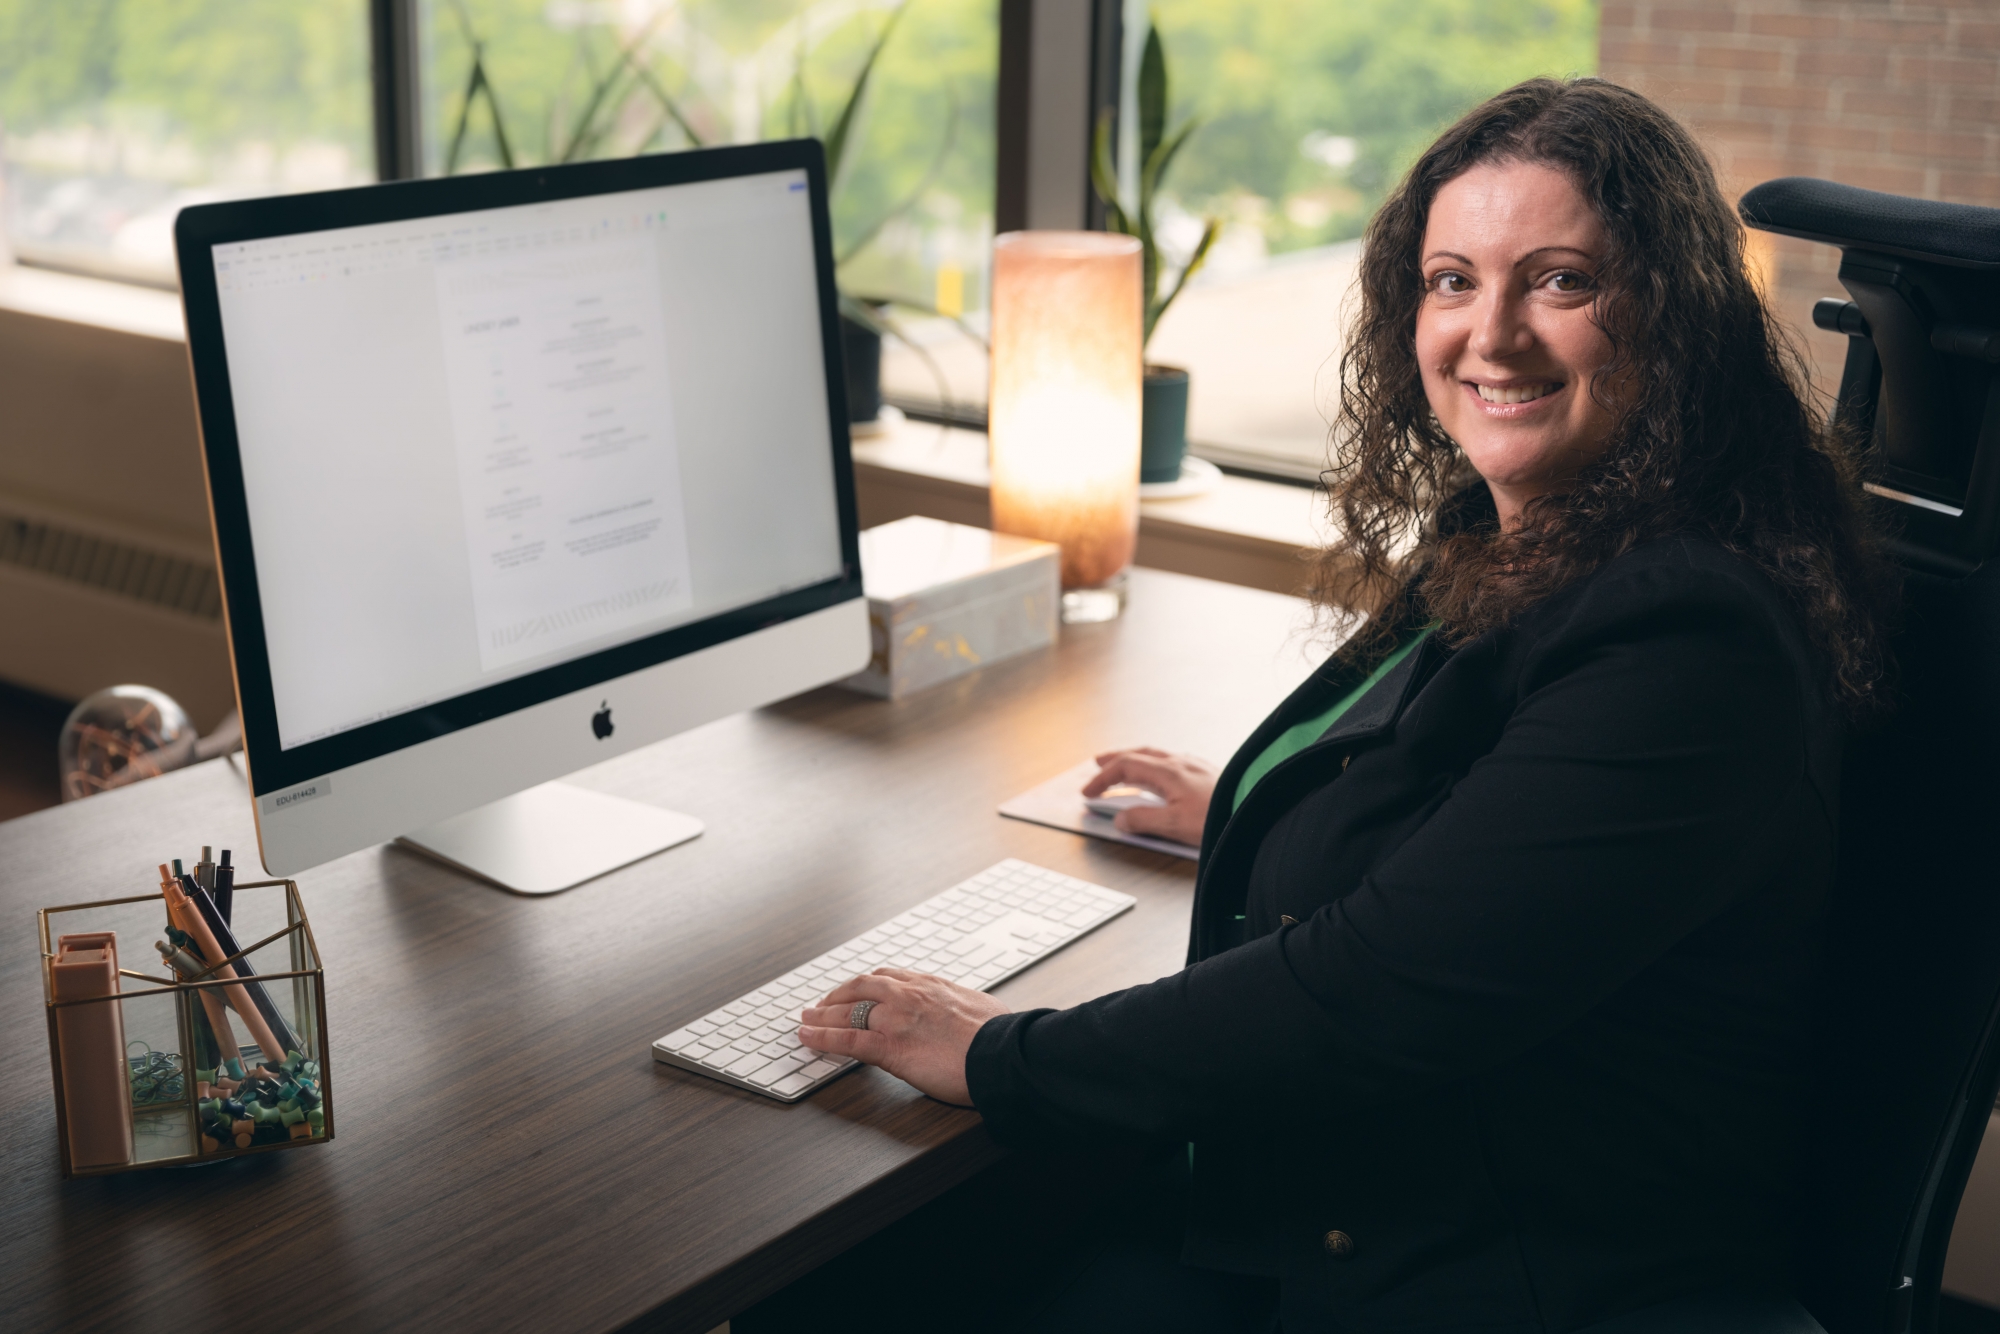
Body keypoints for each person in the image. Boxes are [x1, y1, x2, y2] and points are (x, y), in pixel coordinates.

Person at [796, 77, 1892, 1332]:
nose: (1490, 336)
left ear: (1670, 311)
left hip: (1490, 1275)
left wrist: (1004, 1054)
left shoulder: (1688, 635)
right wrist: (1258, 818)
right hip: (1366, 1203)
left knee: (857, 1276)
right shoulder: (1526, 533)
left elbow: (1373, 989)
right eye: (1451, 280)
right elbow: (1491, 832)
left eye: (1558, 281)